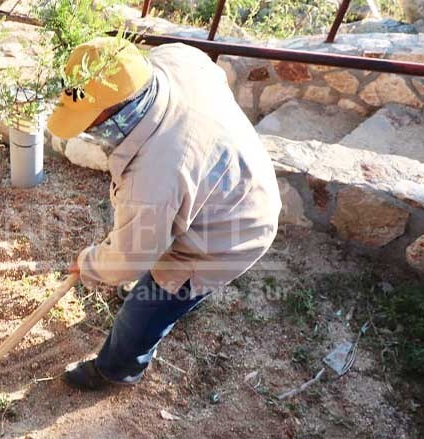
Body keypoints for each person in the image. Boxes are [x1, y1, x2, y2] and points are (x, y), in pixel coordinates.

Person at [47, 37, 281, 390]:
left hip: (228, 233)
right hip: (234, 179)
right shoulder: (175, 58)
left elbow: (128, 261)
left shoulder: (153, 177)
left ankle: (118, 369)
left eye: (89, 120)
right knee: (153, 266)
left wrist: (90, 263)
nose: (86, 129)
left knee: (147, 307)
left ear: (120, 109)